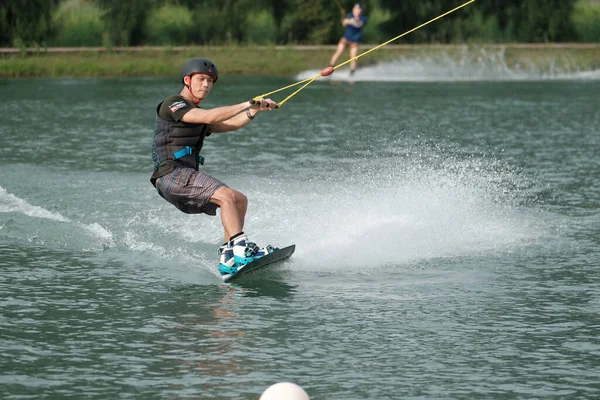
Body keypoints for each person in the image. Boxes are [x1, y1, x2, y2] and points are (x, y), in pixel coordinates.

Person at [150, 57, 277, 280]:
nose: (206, 85)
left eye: (210, 81)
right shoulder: (173, 104)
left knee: (239, 200)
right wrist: (245, 103)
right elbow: (208, 116)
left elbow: (228, 124)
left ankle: (228, 257)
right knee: (226, 196)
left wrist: (254, 110)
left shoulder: (196, 114)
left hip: (185, 177)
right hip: (172, 175)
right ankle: (241, 250)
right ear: (187, 80)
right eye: (201, 79)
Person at [329, 3, 368, 75]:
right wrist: (348, 21)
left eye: (358, 10)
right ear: (353, 10)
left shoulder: (363, 18)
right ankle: (330, 68)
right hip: (346, 38)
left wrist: (356, 20)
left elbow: (361, 24)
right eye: (355, 9)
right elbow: (344, 23)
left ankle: (352, 73)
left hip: (355, 41)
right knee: (338, 52)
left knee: (353, 57)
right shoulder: (350, 15)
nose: (356, 11)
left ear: (361, 11)